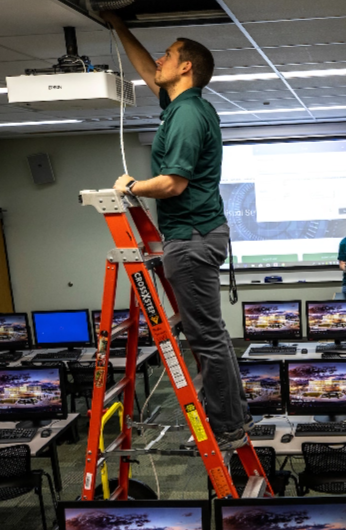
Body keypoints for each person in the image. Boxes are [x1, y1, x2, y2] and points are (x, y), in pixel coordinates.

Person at [101, 11, 248, 450]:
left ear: (187, 67)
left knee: (207, 337)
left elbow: (172, 184)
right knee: (213, 335)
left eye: (168, 55)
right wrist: (118, 27)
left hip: (191, 237)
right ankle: (235, 413)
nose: (159, 61)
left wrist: (131, 187)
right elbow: (148, 73)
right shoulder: (183, 105)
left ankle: (227, 427)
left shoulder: (186, 116)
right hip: (195, 234)